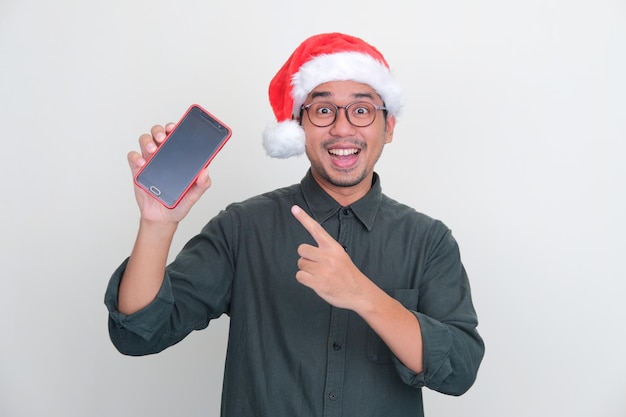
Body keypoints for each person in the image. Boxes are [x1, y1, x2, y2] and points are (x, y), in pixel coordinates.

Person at [105, 32, 485, 416]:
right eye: (322, 111)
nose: (341, 129)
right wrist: (156, 224)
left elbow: (459, 370)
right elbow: (138, 334)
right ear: (298, 126)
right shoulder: (243, 228)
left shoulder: (428, 241)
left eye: (361, 109)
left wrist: (363, 295)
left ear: (388, 127)